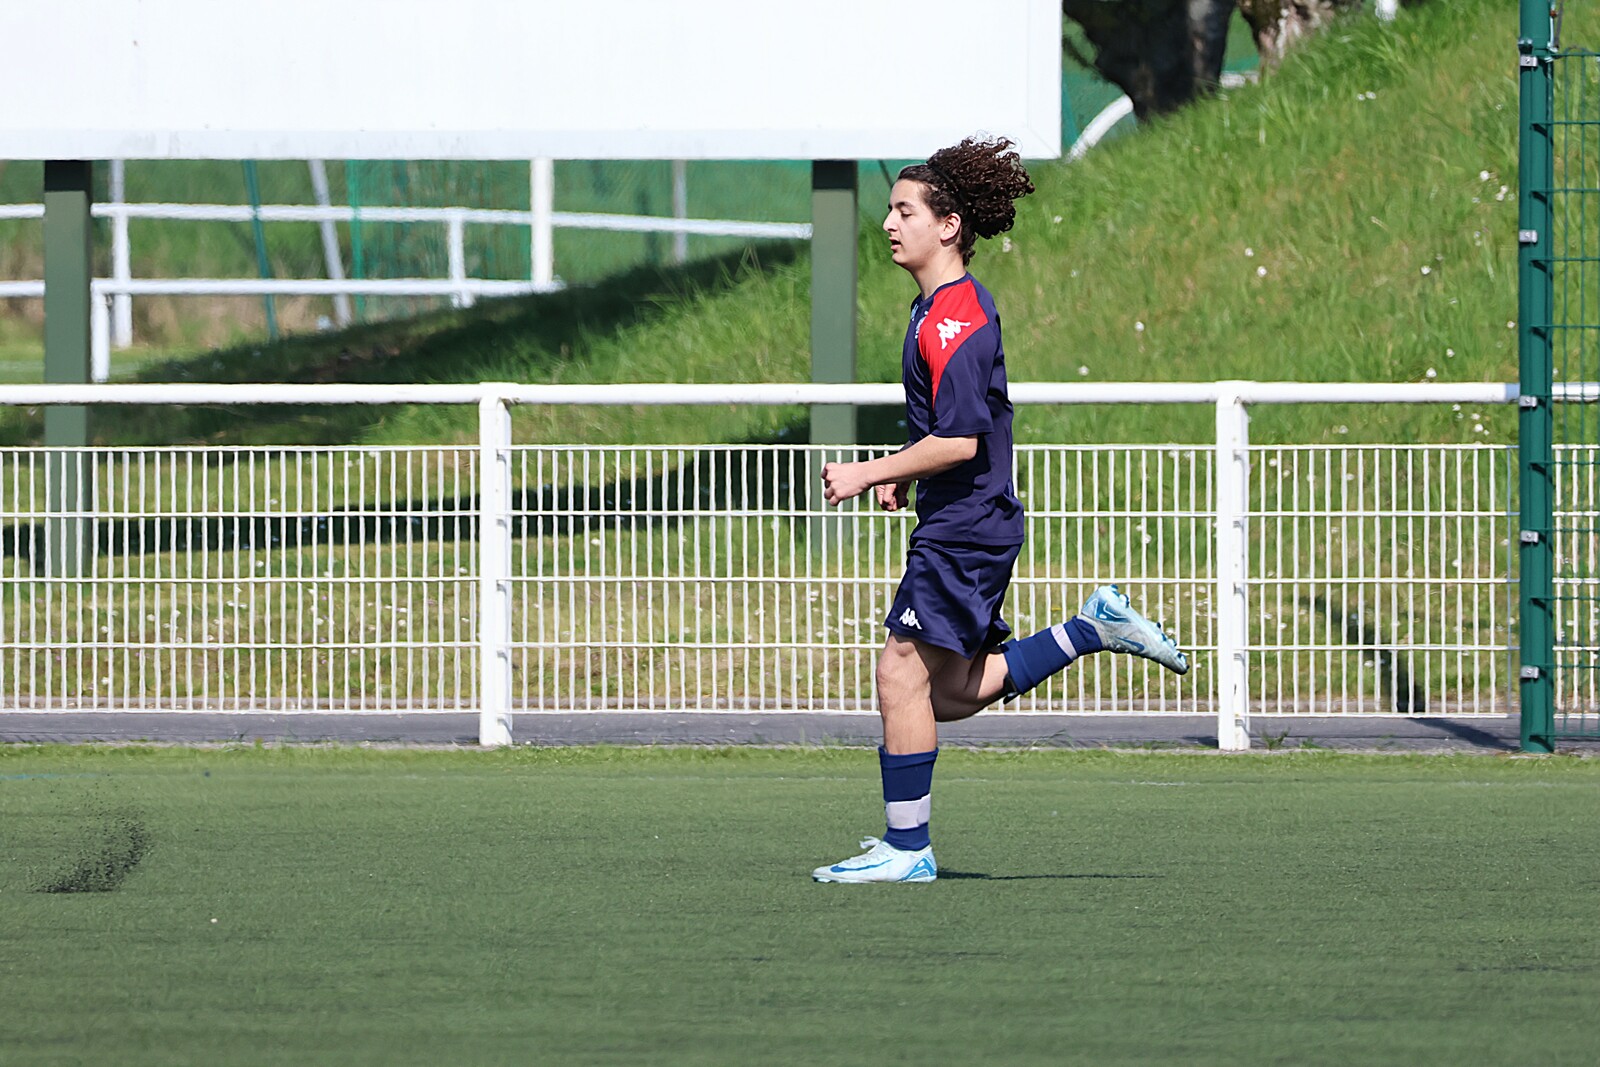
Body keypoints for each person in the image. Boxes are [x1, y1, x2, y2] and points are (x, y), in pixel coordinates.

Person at [812, 135, 1189, 884]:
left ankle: (908, 849)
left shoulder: (955, 317)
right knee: (948, 690)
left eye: (904, 210)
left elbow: (959, 441)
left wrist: (869, 470)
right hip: (965, 521)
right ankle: (1088, 628)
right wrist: (905, 471)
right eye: (889, 210)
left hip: (967, 527)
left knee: (899, 673)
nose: (888, 223)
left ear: (948, 225)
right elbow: (946, 427)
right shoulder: (933, 309)